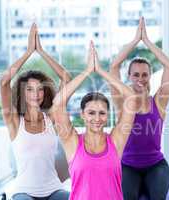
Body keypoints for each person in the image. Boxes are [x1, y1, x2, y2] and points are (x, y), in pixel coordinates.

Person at [53, 42, 137, 200]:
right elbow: (58, 103)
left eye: (102, 113)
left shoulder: (116, 141)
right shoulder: (72, 142)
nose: (97, 119)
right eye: (91, 113)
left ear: (107, 115)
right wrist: (87, 71)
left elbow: (132, 98)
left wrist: (100, 70)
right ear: (82, 115)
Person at [0, 23, 71, 200]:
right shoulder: (14, 120)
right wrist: (28, 52)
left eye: (40, 89)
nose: (36, 94)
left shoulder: (52, 117)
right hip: (23, 191)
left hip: (54, 189)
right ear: (22, 92)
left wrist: (41, 51)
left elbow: (66, 77)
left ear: (45, 92)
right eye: (30, 89)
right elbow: (3, 82)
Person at [109, 17, 169, 200]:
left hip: (156, 165)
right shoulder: (122, 104)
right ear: (128, 76)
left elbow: (168, 65)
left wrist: (147, 42)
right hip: (128, 165)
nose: (140, 78)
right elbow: (114, 66)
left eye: (145, 74)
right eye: (135, 74)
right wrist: (135, 40)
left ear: (150, 76)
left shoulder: (159, 102)